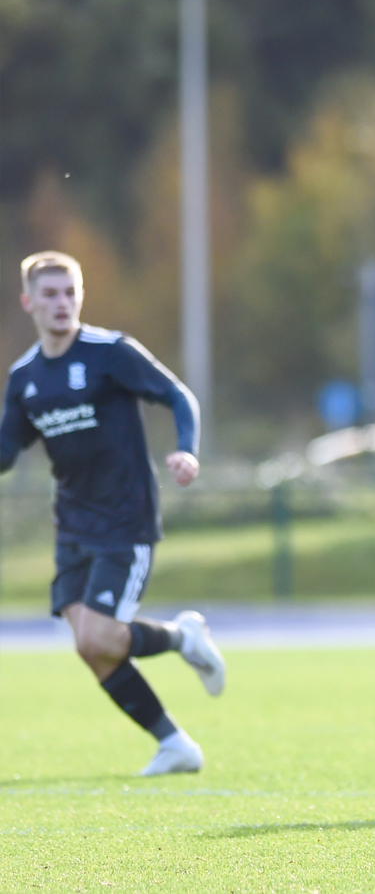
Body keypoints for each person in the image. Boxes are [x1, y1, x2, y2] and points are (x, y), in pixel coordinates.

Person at [0, 251, 225, 776]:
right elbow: (7, 451)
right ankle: (175, 744)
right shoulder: (25, 377)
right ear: (28, 302)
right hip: (73, 524)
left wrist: (187, 448)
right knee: (89, 646)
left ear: (81, 296)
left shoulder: (109, 353)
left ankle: (181, 638)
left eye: (70, 292)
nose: (62, 303)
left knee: (100, 636)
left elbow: (177, 394)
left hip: (125, 519)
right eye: (50, 294)